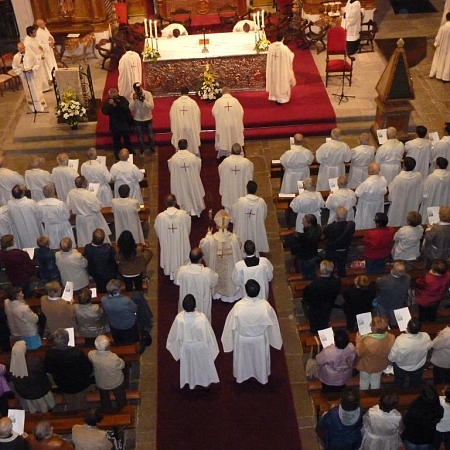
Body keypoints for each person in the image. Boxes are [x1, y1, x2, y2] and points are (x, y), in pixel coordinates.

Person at [221, 279, 283, 384]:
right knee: (259, 360)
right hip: (259, 339)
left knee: (243, 361)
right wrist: (275, 340)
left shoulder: (238, 306)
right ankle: (261, 376)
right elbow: (273, 324)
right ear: (259, 291)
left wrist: (228, 342)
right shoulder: (265, 306)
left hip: (242, 340)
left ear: (246, 291)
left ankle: (242, 376)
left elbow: (229, 326)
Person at [167, 294, 220, 389]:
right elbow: (209, 335)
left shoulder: (179, 318)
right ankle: (205, 382)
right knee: (203, 365)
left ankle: (191, 381)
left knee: (190, 366)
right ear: (195, 305)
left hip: (186, 348)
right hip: (201, 347)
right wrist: (212, 346)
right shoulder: (202, 318)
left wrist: (177, 349)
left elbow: (173, 337)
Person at [44, 328, 93, 410]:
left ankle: (71, 410)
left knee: (69, 400)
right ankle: (81, 414)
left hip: (63, 383)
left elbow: (48, 370)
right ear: (68, 340)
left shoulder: (50, 354)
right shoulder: (77, 352)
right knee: (81, 401)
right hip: (80, 383)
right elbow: (87, 369)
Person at [199, 210, 242, 303]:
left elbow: (202, 246)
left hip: (216, 268)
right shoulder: (234, 238)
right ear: (227, 225)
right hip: (230, 269)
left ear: (216, 225)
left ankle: (217, 293)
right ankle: (230, 295)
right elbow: (240, 246)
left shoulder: (211, 239)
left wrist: (208, 234)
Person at [9, 340, 55, 413]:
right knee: (44, 409)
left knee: (32, 411)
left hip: (26, 395)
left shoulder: (10, 365)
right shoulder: (35, 362)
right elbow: (43, 375)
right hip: (40, 392)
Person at [174, 247, 218, 322]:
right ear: (200, 259)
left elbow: (177, 281)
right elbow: (214, 281)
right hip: (202, 304)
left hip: (186, 302)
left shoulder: (182, 270)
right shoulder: (207, 273)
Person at [66, 176, 112, 247]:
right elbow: (97, 208)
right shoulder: (88, 195)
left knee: (83, 238)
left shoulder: (71, 193)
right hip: (91, 219)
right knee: (95, 237)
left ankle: (84, 249)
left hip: (79, 219)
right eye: (86, 181)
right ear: (84, 184)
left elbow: (68, 206)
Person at [154, 194, 191, 280]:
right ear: (175, 202)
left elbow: (157, 230)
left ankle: (170, 271)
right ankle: (180, 271)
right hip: (179, 242)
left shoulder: (160, 217)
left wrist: (164, 237)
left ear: (165, 203)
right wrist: (183, 236)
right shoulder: (183, 214)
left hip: (168, 243)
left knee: (169, 253)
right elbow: (188, 227)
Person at [389, 318, 432, 387]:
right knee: (415, 384)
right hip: (418, 365)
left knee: (399, 382)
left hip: (401, 366)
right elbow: (429, 346)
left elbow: (391, 357)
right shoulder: (425, 336)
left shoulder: (400, 340)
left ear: (408, 328)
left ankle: (399, 393)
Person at [356, 315, 395, 391]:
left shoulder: (367, 341)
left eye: (371, 325)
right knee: (376, 380)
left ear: (374, 328)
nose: (370, 325)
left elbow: (359, 353)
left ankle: (364, 397)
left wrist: (358, 341)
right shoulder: (391, 337)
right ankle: (375, 394)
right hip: (380, 364)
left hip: (366, 366)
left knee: (364, 381)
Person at [167, 139, 205, 216]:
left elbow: (171, 168)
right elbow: (198, 164)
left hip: (180, 181)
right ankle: (195, 210)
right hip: (192, 179)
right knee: (193, 191)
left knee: (183, 193)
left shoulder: (174, 159)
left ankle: (185, 211)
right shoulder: (192, 157)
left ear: (178, 147)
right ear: (187, 145)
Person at [88, 335, 126, 410]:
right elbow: (122, 365)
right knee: (120, 396)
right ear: (108, 346)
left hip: (101, 382)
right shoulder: (113, 358)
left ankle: (106, 409)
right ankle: (122, 408)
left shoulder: (91, 354)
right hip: (115, 382)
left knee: (104, 397)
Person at [303, 260, 341, 333]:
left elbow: (307, 297)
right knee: (325, 319)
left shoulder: (313, 285)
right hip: (328, 304)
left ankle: (314, 334)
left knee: (314, 324)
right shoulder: (336, 281)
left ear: (320, 270)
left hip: (315, 307)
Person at [387, 157, 423, 227]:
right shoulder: (418, 176)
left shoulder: (398, 178)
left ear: (404, 166)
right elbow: (421, 190)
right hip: (412, 202)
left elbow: (392, 191)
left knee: (397, 220)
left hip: (399, 204)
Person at [101, 279, 139, 344]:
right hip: (128, 325)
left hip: (114, 325)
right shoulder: (125, 300)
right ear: (119, 289)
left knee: (119, 341)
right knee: (132, 340)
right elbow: (134, 308)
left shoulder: (104, 300)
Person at [37, 183, 75, 249]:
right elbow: (67, 216)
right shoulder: (59, 204)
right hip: (62, 226)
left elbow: (39, 217)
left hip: (49, 227)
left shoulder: (39, 204)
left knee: (52, 245)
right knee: (65, 244)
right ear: (53, 192)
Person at [284, 214, 322, 280]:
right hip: (313, 255)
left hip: (305, 258)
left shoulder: (305, 236)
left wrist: (297, 238)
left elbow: (300, 245)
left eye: (304, 221)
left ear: (309, 224)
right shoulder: (317, 229)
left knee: (306, 274)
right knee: (313, 272)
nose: (302, 222)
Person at [12, 42, 47, 113]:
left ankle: (40, 106)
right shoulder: (16, 57)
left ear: (24, 47)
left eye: (23, 48)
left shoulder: (30, 54)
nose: (22, 49)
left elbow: (37, 63)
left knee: (37, 91)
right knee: (29, 92)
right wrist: (21, 72)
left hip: (33, 76)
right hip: (25, 77)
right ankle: (33, 108)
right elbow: (14, 67)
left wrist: (33, 69)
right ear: (17, 48)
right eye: (20, 48)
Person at [218, 143, 254, 211]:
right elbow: (250, 173)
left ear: (231, 151)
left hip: (230, 188)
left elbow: (220, 170)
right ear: (240, 151)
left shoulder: (226, 162)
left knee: (229, 202)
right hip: (241, 188)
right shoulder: (246, 162)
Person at [211, 87, 244, 158]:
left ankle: (224, 151)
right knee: (234, 136)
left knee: (224, 138)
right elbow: (241, 112)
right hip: (234, 124)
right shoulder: (235, 100)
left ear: (222, 93)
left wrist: (220, 119)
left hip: (224, 125)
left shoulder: (218, 101)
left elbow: (214, 112)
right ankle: (236, 150)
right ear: (229, 92)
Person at [7, 184, 43, 249]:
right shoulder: (30, 203)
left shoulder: (10, 204)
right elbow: (39, 214)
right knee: (35, 243)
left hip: (19, 229)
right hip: (33, 227)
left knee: (24, 245)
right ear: (22, 193)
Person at [376, 261, 411, 327]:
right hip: (398, 302)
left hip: (384, 302)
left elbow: (378, 284)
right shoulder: (408, 278)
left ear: (393, 270)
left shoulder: (385, 280)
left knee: (382, 318)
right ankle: (394, 328)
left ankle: (382, 328)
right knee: (395, 320)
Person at [354, 162, 388, 230]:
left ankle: (364, 231)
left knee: (366, 220)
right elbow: (385, 190)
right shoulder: (383, 179)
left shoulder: (367, 183)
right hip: (378, 203)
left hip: (367, 205)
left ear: (371, 171)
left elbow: (357, 193)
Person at [101, 88, 133, 159]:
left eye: (115, 96)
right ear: (110, 96)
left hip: (124, 122)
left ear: (117, 93)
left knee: (127, 138)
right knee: (116, 140)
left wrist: (118, 105)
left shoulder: (122, 99)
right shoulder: (108, 102)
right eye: (112, 96)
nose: (114, 97)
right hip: (115, 124)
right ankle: (117, 153)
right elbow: (105, 112)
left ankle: (129, 152)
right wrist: (110, 105)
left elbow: (127, 108)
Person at [324, 206, 355, 277]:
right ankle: (342, 279)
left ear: (336, 216)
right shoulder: (351, 225)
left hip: (332, 251)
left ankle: (330, 279)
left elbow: (325, 233)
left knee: (330, 268)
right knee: (342, 267)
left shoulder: (331, 227)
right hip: (344, 250)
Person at [169, 86, 201, 155]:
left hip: (180, 126)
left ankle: (180, 154)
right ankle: (192, 154)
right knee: (191, 141)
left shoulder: (176, 103)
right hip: (190, 127)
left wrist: (176, 126)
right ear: (188, 93)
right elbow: (197, 114)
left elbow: (172, 115)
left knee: (180, 138)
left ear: (181, 93)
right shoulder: (192, 103)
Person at [83, 228, 117, 293]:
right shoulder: (108, 248)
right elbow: (114, 255)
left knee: (101, 288)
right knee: (111, 288)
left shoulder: (88, 248)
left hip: (96, 273)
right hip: (109, 272)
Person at [266, 32, 296, 104]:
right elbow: (290, 57)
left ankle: (275, 97)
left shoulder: (271, 46)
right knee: (282, 81)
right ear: (283, 38)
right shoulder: (284, 48)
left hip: (274, 69)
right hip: (282, 69)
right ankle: (282, 99)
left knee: (275, 81)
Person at [420, 157, 450, 223]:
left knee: (431, 220)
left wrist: (423, 199)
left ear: (437, 165)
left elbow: (425, 191)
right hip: (445, 203)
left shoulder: (432, 177)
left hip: (432, 202)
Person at [129, 82, 155, 156]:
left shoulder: (148, 94)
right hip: (138, 119)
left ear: (141, 87)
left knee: (150, 135)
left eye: (139, 88)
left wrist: (143, 101)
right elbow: (131, 108)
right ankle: (142, 150)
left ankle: (152, 149)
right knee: (140, 136)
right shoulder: (132, 95)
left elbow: (152, 106)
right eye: (136, 89)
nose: (138, 90)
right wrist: (133, 100)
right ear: (134, 89)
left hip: (148, 118)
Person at [23, 25, 51, 93]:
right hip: (36, 60)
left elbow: (39, 45)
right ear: (30, 34)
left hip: (41, 57)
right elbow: (30, 54)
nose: (36, 33)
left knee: (44, 73)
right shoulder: (27, 42)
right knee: (40, 74)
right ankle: (42, 88)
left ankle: (47, 86)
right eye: (34, 32)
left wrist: (42, 48)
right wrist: (38, 57)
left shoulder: (35, 37)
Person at [35, 19, 57, 86]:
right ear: (38, 25)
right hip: (45, 51)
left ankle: (56, 74)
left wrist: (52, 40)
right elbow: (39, 44)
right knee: (49, 64)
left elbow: (50, 37)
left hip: (50, 50)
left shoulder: (45, 29)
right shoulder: (38, 33)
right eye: (41, 24)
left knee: (53, 62)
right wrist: (48, 44)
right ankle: (51, 78)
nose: (44, 24)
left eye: (43, 23)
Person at [430, 12, 450, 82]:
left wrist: (436, 44)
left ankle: (439, 75)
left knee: (441, 60)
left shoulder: (443, 27)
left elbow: (438, 38)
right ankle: (446, 77)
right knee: (448, 62)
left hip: (442, 48)